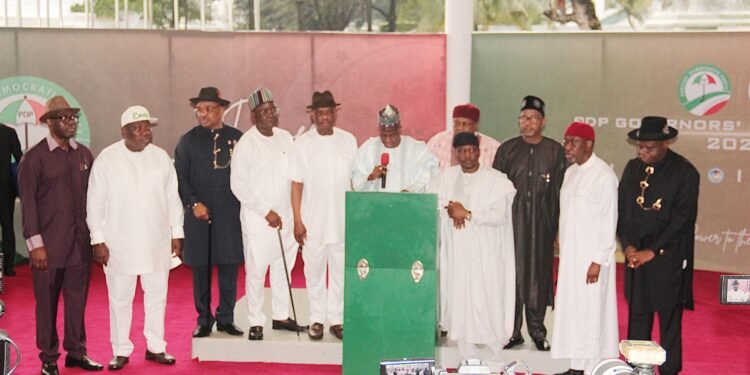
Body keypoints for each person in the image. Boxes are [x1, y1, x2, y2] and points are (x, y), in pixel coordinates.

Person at [87, 105, 184, 370]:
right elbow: (94, 203)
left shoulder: (161, 157)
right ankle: (120, 349)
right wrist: (98, 240)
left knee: (157, 296)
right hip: (120, 244)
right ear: (124, 132)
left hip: (156, 241)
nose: (145, 132)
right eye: (138, 128)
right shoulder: (107, 159)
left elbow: (172, 198)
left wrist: (177, 232)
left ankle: (156, 346)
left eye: (147, 127)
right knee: (120, 298)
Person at [18, 96, 103, 375]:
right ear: (49, 123)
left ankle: (77, 352)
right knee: (47, 304)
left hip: (79, 245)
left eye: (73, 118)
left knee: (77, 301)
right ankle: (49, 358)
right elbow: (28, 204)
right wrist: (35, 245)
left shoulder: (84, 155)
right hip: (48, 249)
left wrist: (96, 238)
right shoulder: (34, 158)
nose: (70, 123)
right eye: (64, 118)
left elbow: (95, 200)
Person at [617, 116, 699, 375]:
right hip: (635, 258)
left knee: (669, 322)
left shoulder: (685, 173)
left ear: (666, 143)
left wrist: (651, 251)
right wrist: (628, 246)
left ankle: (670, 370)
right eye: (640, 146)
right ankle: (636, 368)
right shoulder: (632, 168)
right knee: (638, 317)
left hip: (667, 260)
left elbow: (683, 220)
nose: (642, 151)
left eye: (649, 147)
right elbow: (622, 211)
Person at [429, 132, 516, 360]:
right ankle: (467, 359)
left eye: (471, 150)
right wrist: (451, 207)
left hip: (486, 255)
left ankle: (494, 357)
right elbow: (431, 201)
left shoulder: (497, 180)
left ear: (479, 152)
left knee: (488, 301)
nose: (468, 155)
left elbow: (499, 215)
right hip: (457, 256)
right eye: (462, 151)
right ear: (456, 154)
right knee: (461, 302)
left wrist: (467, 214)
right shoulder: (447, 177)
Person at [231, 87, 307, 341]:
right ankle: (255, 320)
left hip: (285, 218)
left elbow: (296, 175)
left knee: (283, 269)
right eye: (263, 112)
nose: (269, 115)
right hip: (259, 220)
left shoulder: (285, 138)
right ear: (252, 117)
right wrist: (265, 211)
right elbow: (238, 185)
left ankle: (281, 315)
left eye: (272, 110)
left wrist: (296, 215)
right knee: (256, 271)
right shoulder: (247, 144)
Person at [492, 95, 565, 351]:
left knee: (538, 277)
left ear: (543, 122)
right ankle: (511, 332)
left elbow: (560, 192)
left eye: (533, 118)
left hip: (543, 225)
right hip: (512, 225)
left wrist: (557, 229)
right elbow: (495, 190)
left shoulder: (555, 151)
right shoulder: (507, 149)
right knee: (511, 276)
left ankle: (537, 331)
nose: (527, 122)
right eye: (523, 118)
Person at [175, 87, 244, 338]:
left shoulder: (238, 138)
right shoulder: (188, 140)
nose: (202, 114)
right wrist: (194, 204)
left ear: (220, 110)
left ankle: (226, 318)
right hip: (199, 216)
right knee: (201, 270)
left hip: (229, 214)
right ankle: (204, 319)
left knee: (229, 267)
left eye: (207, 109)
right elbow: (180, 178)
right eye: (199, 109)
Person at [551, 122, 619, 375]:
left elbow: (608, 221)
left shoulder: (603, 176)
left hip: (591, 258)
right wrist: (560, 234)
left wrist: (598, 260)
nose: (567, 148)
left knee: (591, 310)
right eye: (566, 141)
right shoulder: (571, 173)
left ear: (589, 145)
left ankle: (591, 368)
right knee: (574, 311)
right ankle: (576, 366)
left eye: (573, 142)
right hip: (571, 256)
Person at [290, 91, 357, 341]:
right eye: (320, 113)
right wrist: (297, 220)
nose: (325, 117)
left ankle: (337, 319)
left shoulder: (348, 140)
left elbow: (355, 181)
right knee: (314, 272)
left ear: (335, 113)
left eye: (329, 112)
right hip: (313, 222)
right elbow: (296, 185)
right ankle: (316, 319)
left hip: (341, 221)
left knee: (340, 272)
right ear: (313, 115)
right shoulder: (303, 143)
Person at [352, 104, 438, 192]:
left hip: (408, 204)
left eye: (392, 135)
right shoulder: (369, 148)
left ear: (399, 130)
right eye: (384, 135)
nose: (388, 140)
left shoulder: (416, 150)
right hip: (375, 204)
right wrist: (370, 177)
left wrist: (411, 191)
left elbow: (428, 177)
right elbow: (356, 183)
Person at [427, 103, 500, 171]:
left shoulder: (492, 148)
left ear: (476, 125)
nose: (460, 128)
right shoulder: (437, 142)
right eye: (457, 123)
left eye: (465, 124)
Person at [0, 123, 22, 276]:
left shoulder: (8, 132)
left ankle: (7, 265)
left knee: (8, 228)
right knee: (8, 227)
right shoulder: (9, 132)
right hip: (5, 188)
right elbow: (20, 159)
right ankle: (8, 266)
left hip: (5, 189)